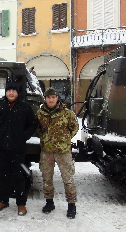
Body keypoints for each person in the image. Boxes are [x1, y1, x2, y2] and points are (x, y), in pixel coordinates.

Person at [0, 81, 36, 216]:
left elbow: (32, 125)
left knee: (19, 177)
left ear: (17, 92)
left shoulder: (25, 107)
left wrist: (23, 136)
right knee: (3, 176)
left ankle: (21, 204)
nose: (11, 93)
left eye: (13, 90)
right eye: (9, 90)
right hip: (2, 148)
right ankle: (3, 201)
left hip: (18, 149)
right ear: (6, 92)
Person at [35, 87, 79, 219]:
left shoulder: (67, 113)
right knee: (47, 179)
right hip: (47, 151)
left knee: (68, 179)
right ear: (45, 99)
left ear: (57, 98)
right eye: (49, 97)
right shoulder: (40, 114)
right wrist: (45, 139)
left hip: (63, 152)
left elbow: (74, 127)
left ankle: (71, 205)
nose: (51, 100)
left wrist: (65, 140)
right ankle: (49, 203)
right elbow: (38, 128)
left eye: (53, 97)